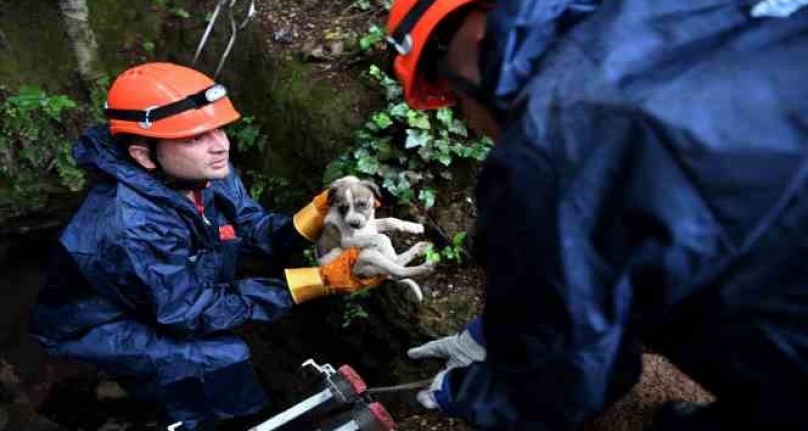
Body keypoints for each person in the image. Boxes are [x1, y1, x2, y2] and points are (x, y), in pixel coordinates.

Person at [385, 0, 808, 430]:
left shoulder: (550, 144)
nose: (470, 121)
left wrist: (462, 391)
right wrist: (494, 331)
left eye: (456, 99)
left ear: (474, 29)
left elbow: (556, 387)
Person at [28, 62, 383, 430]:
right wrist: (319, 280)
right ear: (143, 155)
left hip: (158, 293)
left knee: (221, 344)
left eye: (217, 129)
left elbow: (251, 228)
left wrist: (321, 211)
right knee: (220, 356)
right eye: (194, 137)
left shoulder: (205, 172)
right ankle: (217, 421)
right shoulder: (129, 225)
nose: (220, 146)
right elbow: (188, 312)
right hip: (96, 324)